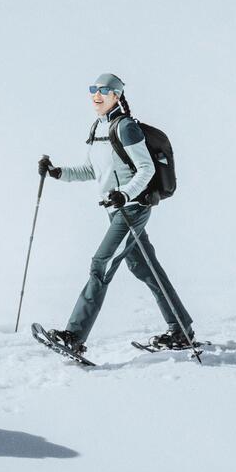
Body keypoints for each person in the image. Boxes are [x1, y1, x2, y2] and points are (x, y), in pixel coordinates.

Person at [36, 74, 197, 354]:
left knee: (101, 264)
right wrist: (58, 173)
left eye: (105, 90)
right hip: (115, 210)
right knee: (146, 269)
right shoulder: (98, 127)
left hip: (131, 209)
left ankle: (74, 336)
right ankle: (181, 330)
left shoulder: (126, 128)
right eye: (93, 89)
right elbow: (91, 171)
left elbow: (145, 169)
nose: (97, 95)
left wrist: (125, 193)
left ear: (117, 95)